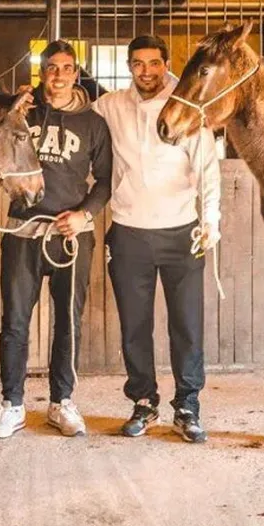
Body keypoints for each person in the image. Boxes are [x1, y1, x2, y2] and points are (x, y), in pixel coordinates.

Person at [92, 35, 222, 443]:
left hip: (182, 232)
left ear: (167, 64)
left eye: (153, 63)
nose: (145, 71)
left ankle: (188, 405)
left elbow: (208, 171)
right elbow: (71, 111)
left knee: (186, 325)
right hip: (129, 233)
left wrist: (211, 220)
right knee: (135, 326)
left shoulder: (186, 108)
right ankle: (143, 402)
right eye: (137, 64)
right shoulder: (110, 106)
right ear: (129, 66)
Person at [0, 40, 112, 438]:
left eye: (66, 68)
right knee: (15, 321)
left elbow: (106, 180)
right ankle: (12, 404)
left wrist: (84, 215)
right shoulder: (21, 112)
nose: (58, 75)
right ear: (42, 72)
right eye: (51, 67)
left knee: (67, 322)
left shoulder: (94, 123)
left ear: (77, 73)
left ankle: (62, 402)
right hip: (23, 231)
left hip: (70, 236)